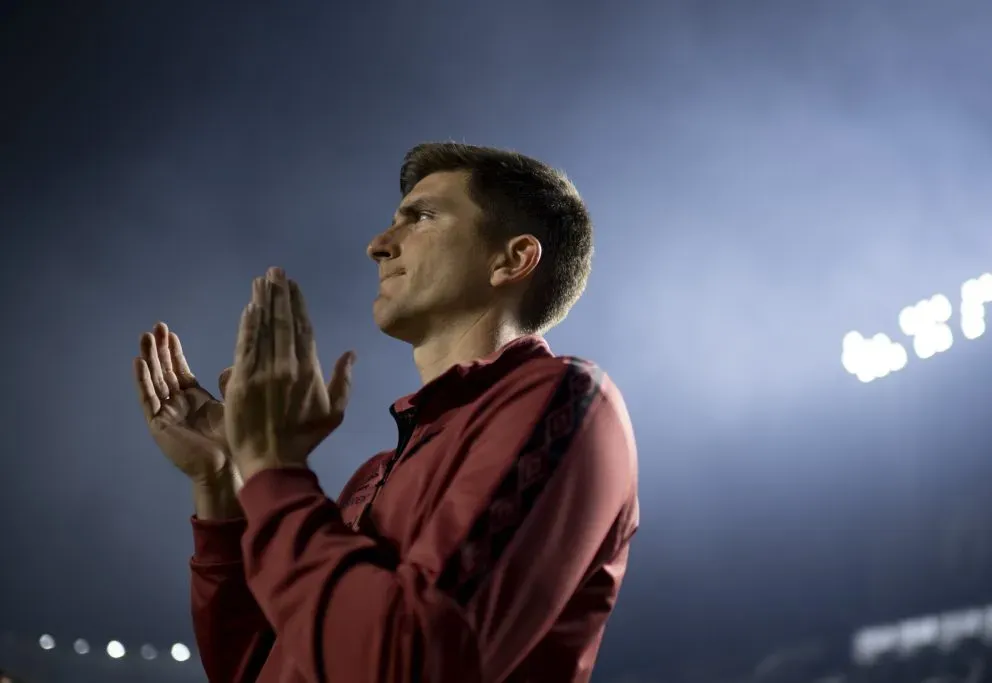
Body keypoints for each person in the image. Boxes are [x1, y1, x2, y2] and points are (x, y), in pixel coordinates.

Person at [134, 143, 639, 683]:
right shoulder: (374, 475)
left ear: (511, 260)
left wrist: (272, 467)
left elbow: (411, 662)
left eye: (420, 216)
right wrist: (224, 483)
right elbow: (255, 670)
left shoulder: (569, 399)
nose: (378, 245)